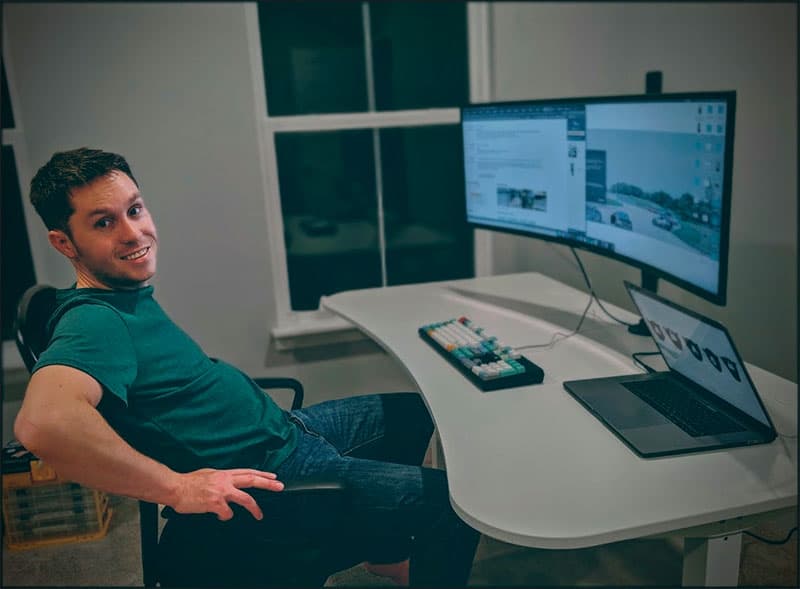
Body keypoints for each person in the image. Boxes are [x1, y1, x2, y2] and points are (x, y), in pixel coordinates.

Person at [14, 147, 479, 586]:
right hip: (277, 470)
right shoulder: (95, 321)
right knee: (455, 506)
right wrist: (176, 489)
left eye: (134, 210)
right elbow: (44, 424)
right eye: (103, 223)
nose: (133, 233)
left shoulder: (121, 296)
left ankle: (385, 552)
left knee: (416, 413)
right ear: (64, 243)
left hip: (286, 428)